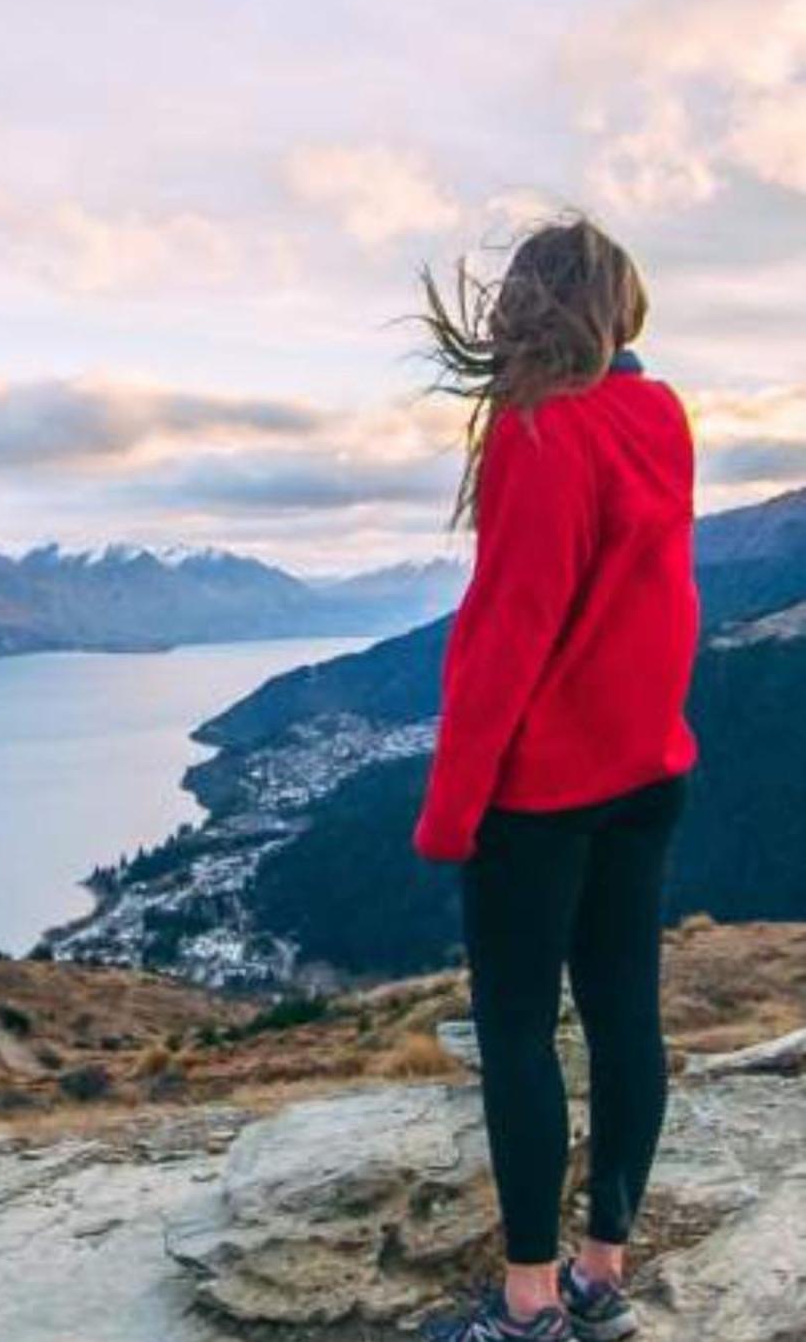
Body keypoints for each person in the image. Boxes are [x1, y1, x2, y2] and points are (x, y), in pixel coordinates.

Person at [411, 218, 699, 1342]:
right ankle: (599, 1272)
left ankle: (527, 1303)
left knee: (521, 1032)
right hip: (646, 770)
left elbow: (505, 637)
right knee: (626, 1015)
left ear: (526, 310)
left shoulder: (539, 434)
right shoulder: (658, 417)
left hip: (541, 798)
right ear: (615, 309)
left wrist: (449, 813)